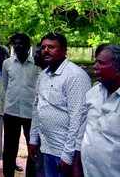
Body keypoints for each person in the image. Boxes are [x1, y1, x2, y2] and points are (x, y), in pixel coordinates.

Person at [29, 33, 91, 177]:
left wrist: (68, 155)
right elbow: (37, 108)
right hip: (44, 147)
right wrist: (33, 139)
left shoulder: (75, 76)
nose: (45, 50)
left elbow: (78, 118)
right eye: (43, 47)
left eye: (51, 47)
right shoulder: (44, 75)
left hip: (62, 152)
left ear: (64, 51)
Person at [2, 33, 39, 177]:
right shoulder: (7, 63)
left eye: (22, 43)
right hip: (11, 112)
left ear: (29, 47)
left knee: (33, 148)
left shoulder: (37, 64)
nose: (18, 46)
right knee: (10, 148)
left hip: (31, 113)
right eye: (15, 43)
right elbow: (6, 86)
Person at [80, 45, 120, 177]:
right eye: (95, 62)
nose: (95, 66)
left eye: (101, 63)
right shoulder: (93, 92)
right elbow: (84, 129)